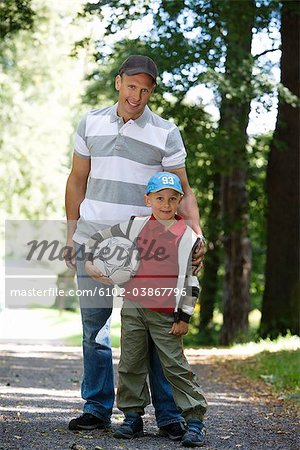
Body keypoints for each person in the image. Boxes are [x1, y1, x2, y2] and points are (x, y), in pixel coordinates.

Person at [64, 55, 206, 440]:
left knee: (157, 331)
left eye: (145, 89)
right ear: (118, 83)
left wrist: (196, 233)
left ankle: (167, 414)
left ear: (151, 91)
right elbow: (77, 181)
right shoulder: (90, 122)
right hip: (93, 241)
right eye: (131, 86)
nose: (137, 95)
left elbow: (184, 190)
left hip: (145, 249)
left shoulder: (165, 132)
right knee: (94, 329)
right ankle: (95, 408)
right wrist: (71, 233)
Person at [84, 172, 208, 448]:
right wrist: (91, 262)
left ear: (179, 202)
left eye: (172, 199)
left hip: (167, 313)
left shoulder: (187, 236)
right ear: (148, 200)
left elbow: (191, 280)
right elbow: (100, 237)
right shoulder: (135, 226)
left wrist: (184, 316)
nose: (165, 204)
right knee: (131, 363)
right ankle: (132, 417)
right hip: (133, 307)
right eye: (160, 198)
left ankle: (196, 420)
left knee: (175, 366)